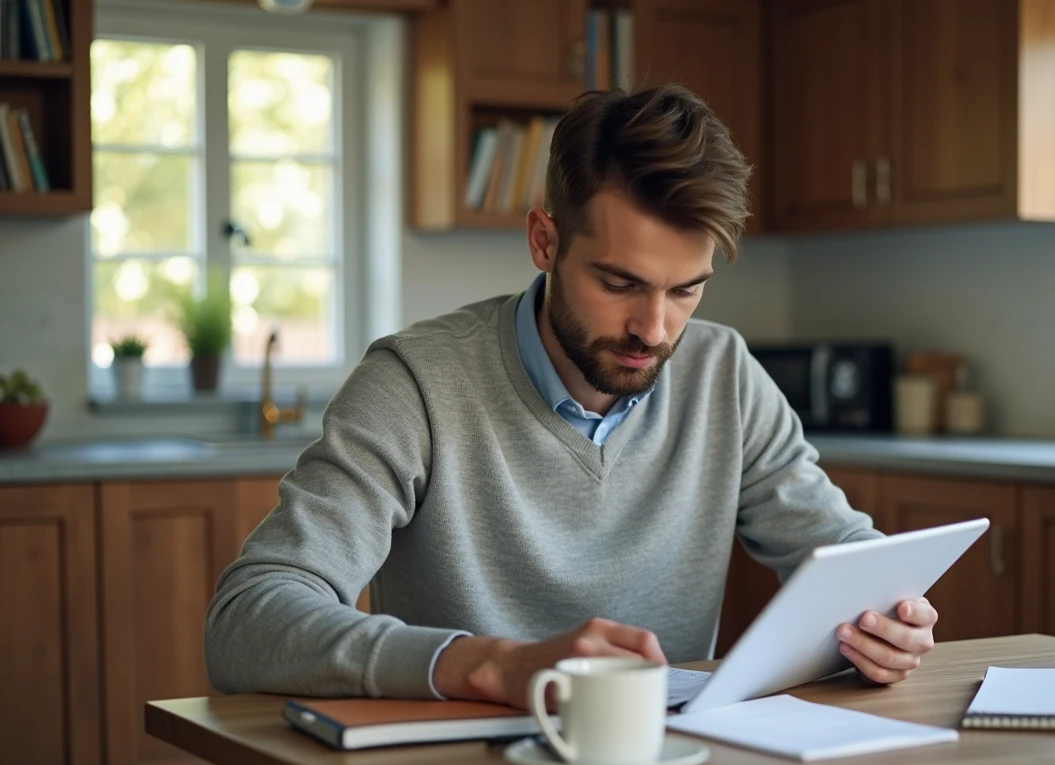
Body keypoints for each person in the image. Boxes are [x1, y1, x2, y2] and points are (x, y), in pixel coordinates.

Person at [205, 85, 939, 710]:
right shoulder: (417, 383)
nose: (653, 330)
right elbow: (249, 621)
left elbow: (845, 553)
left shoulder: (725, 372)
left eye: (686, 289)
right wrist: (489, 665)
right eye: (619, 283)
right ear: (544, 241)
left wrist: (890, 618)